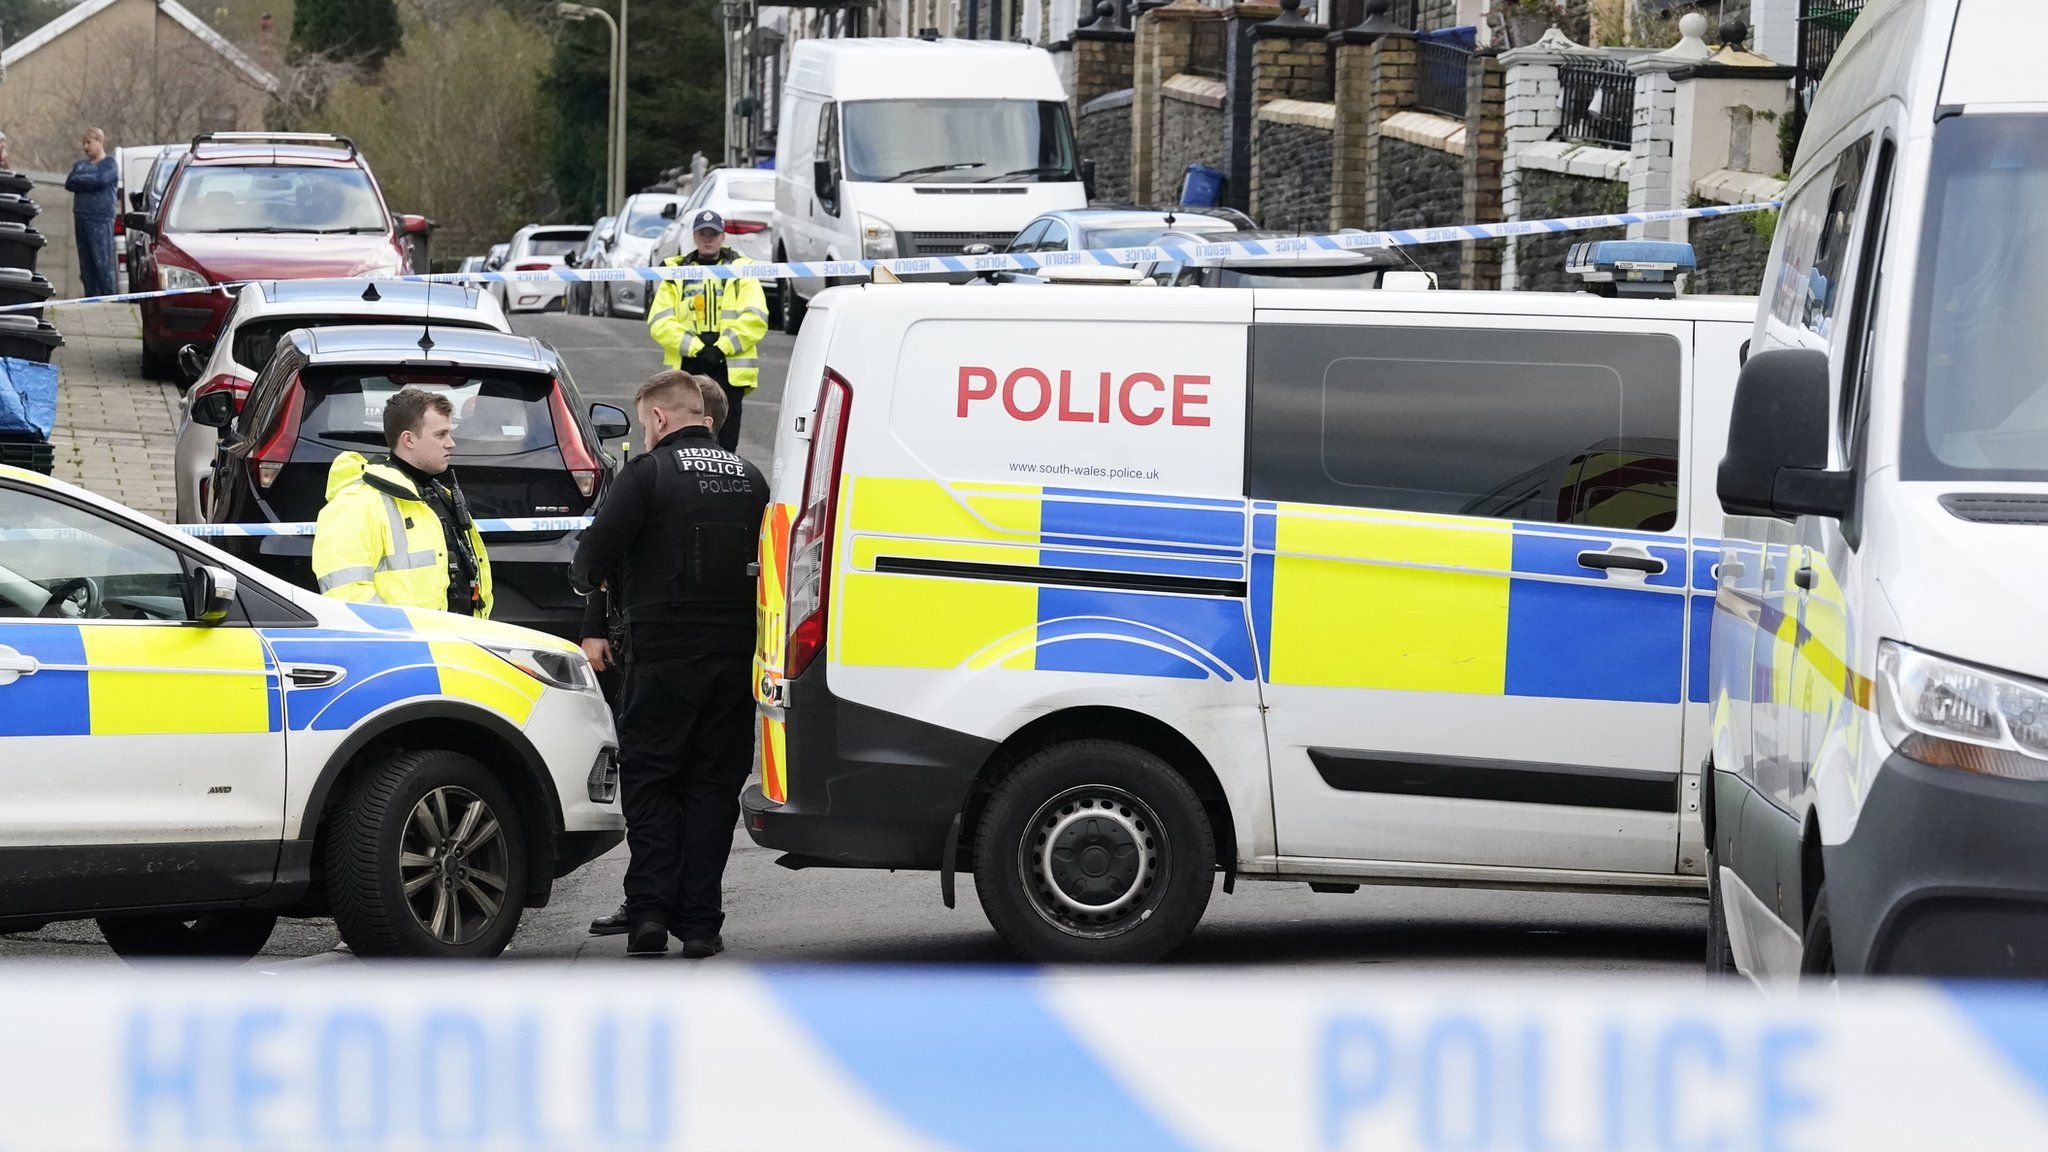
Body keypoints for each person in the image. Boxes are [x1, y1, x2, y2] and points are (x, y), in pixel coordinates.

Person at [571, 371, 767, 958]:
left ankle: (651, 913)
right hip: (734, 659)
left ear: (658, 418)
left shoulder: (647, 474)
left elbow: (596, 554)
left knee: (653, 782)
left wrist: (589, 590)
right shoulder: (752, 479)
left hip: (661, 660)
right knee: (712, 787)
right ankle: (702, 924)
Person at [312, 387, 493, 616]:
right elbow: (347, 597)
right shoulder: (356, 504)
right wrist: (404, 638)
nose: (451, 443)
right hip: (405, 647)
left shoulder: (436, 495)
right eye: (440, 434)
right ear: (408, 439)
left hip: (451, 642)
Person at [646, 210, 768, 452]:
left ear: (723, 237)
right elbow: (660, 320)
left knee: (726, 440)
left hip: (728, 367)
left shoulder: (741, 270)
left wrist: (721, 348)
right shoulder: (676, 272)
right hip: (688, 365)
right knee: (684, 438)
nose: (708, 239)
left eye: (713, 234)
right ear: (694, 236)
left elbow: (755, 318)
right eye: (703, 233)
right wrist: (697, 348)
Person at [64, 128, 119, 298]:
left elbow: (101, 179)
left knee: (102, 262)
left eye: (89, 142)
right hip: (81, 217)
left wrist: (84, 179)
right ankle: (91, 296)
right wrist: (90, 179)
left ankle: (109, 298)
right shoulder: (80, 165)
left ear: (100, 142)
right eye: (84, 143)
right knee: (86, 263)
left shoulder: (109, 164)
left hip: (100, 218)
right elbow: (70, 182)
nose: (85, 147)